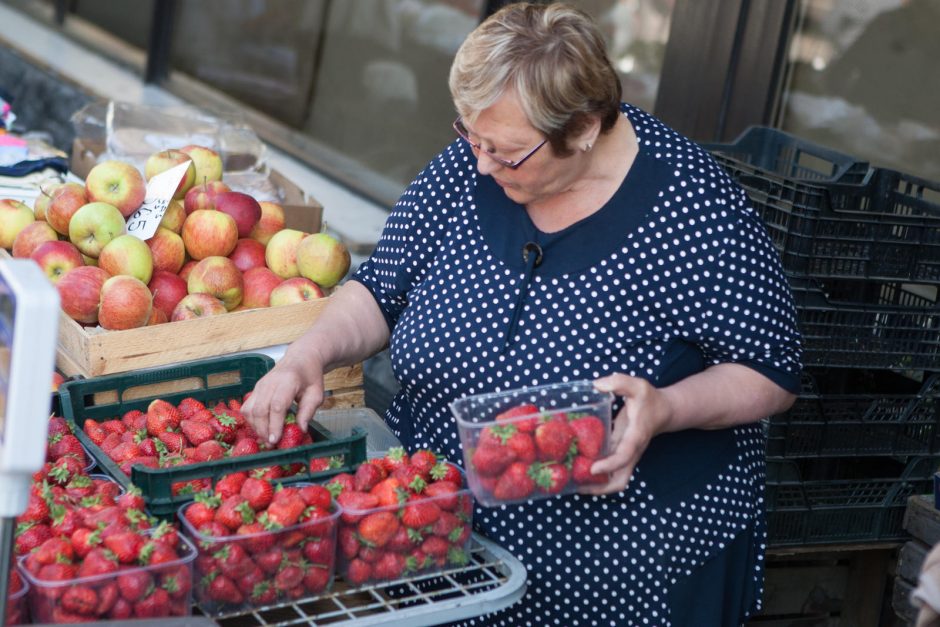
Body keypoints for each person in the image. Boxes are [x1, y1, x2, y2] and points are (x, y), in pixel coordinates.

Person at [242, 3, 802, 624]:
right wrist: (310, 352)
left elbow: (769, 372)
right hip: (440, 535)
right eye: (471, 138)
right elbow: (381, 288)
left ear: (586, 127)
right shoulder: (474, 164)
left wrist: (666, 407)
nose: (481, 164)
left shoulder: (694, 208)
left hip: (618, 564)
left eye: (506, 153)